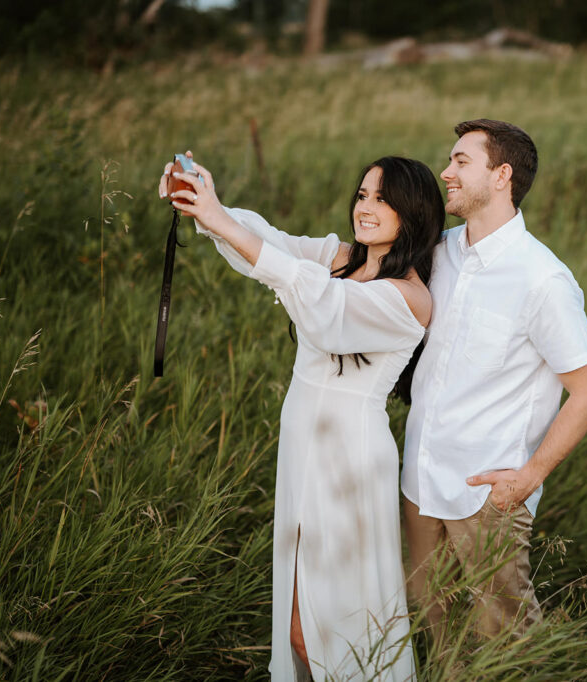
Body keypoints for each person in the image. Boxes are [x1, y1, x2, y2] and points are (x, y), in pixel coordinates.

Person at [159, 153, 444, 681]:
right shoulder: (338, 257)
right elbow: (270, 244)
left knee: (323, 625)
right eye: (362, 195)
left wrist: (218, 218)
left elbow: (324, 309)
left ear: (414, 211)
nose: (366, 207)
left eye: (383, 199)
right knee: (297, 620)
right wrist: (206, 203)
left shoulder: (408, 298)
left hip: (348, 461)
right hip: (302, 452)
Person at [401, 120, 587, 642]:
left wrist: (529, 477)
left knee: (505, 638)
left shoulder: (542, 279)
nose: (445, 172)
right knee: (435, 626)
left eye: (460, 162)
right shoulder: (437, 251)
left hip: (487, 496)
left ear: (502, 175)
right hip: (419, 481)